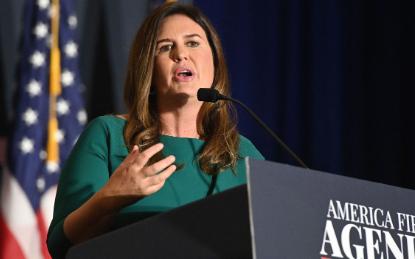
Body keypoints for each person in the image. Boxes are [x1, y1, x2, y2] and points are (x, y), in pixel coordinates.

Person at [46, 2, 263, 258]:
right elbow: (60, 244)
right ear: (147, 69)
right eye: (165, 47)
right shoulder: (109, 136)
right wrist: (108, 199)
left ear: (215, 62)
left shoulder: (242, 152)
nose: (180, 54)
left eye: (192, 43)